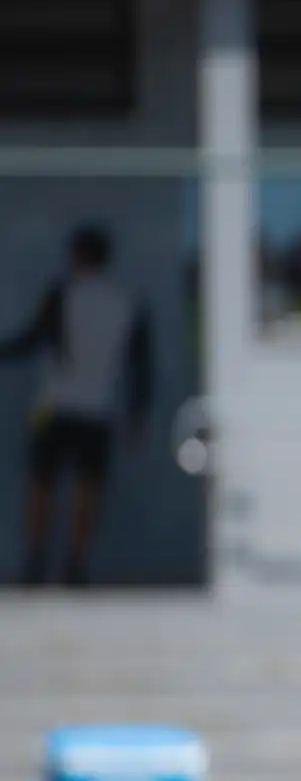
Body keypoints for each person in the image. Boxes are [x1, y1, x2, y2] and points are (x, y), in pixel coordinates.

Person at [0, 225, 153, 587]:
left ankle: (36, 560)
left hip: (53, 405)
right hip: (98, 408)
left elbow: (32, 339)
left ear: (76, 255)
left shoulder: (62, 294)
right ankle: (75, 563)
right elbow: (140, 366)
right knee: (88, 487)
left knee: (41, 483)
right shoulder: (128, 300)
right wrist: (137, 415)